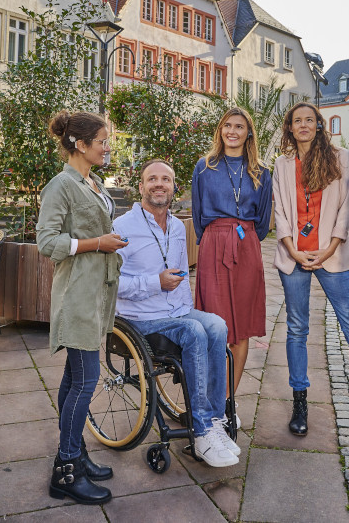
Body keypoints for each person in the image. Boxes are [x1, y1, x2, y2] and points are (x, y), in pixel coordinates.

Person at [273, 102, 349, 440]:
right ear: (290, 128)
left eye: (309, 120)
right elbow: (280, 209)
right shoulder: (281, 165)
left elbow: (344, 208)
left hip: (332, 254)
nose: (304, 125)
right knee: (297, 329)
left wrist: (328, 248)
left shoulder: (338, 157)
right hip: (293, 254)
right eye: (297, 121)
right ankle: (300, 402)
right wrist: (292, 248)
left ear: (319, 125)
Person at [114, 159, 241, 467]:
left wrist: (185, 306)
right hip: (139, 318)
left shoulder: (177, 227)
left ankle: (213, 420)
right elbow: (112, 283)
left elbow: (182, 275)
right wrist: (155, 282)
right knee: (194, 332)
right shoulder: (122, 227)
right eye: (152, 179)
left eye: (166, 180)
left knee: (217, 325)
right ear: (141, 186)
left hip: (175, 311)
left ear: (174, 187)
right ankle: (200, 432)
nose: (159, 184)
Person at [37, 110, 128, 505]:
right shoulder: (61, 185)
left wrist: (108, 241)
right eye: (103, 141)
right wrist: (97, 244)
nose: (108, 147)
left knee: (75, 380)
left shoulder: (89, 181)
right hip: (77, 294)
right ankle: (66, 470)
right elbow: (46, 242)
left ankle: (75, 455)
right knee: (86, 381)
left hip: (95, 292)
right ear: (81, 144)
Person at [191, 107, 272, 411]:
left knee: (241, 327)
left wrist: (245, 239)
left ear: (249, 132)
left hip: (247, 246)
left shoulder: (261, 171)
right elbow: (198, 215)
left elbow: (264, 221)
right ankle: (207, 396)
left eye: (239, 126)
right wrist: (216, 237)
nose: (233, 131)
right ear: (220, 130)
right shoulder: (205, 166)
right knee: (214, 324)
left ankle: (228, 401)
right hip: (213, 245)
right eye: (227, 125)